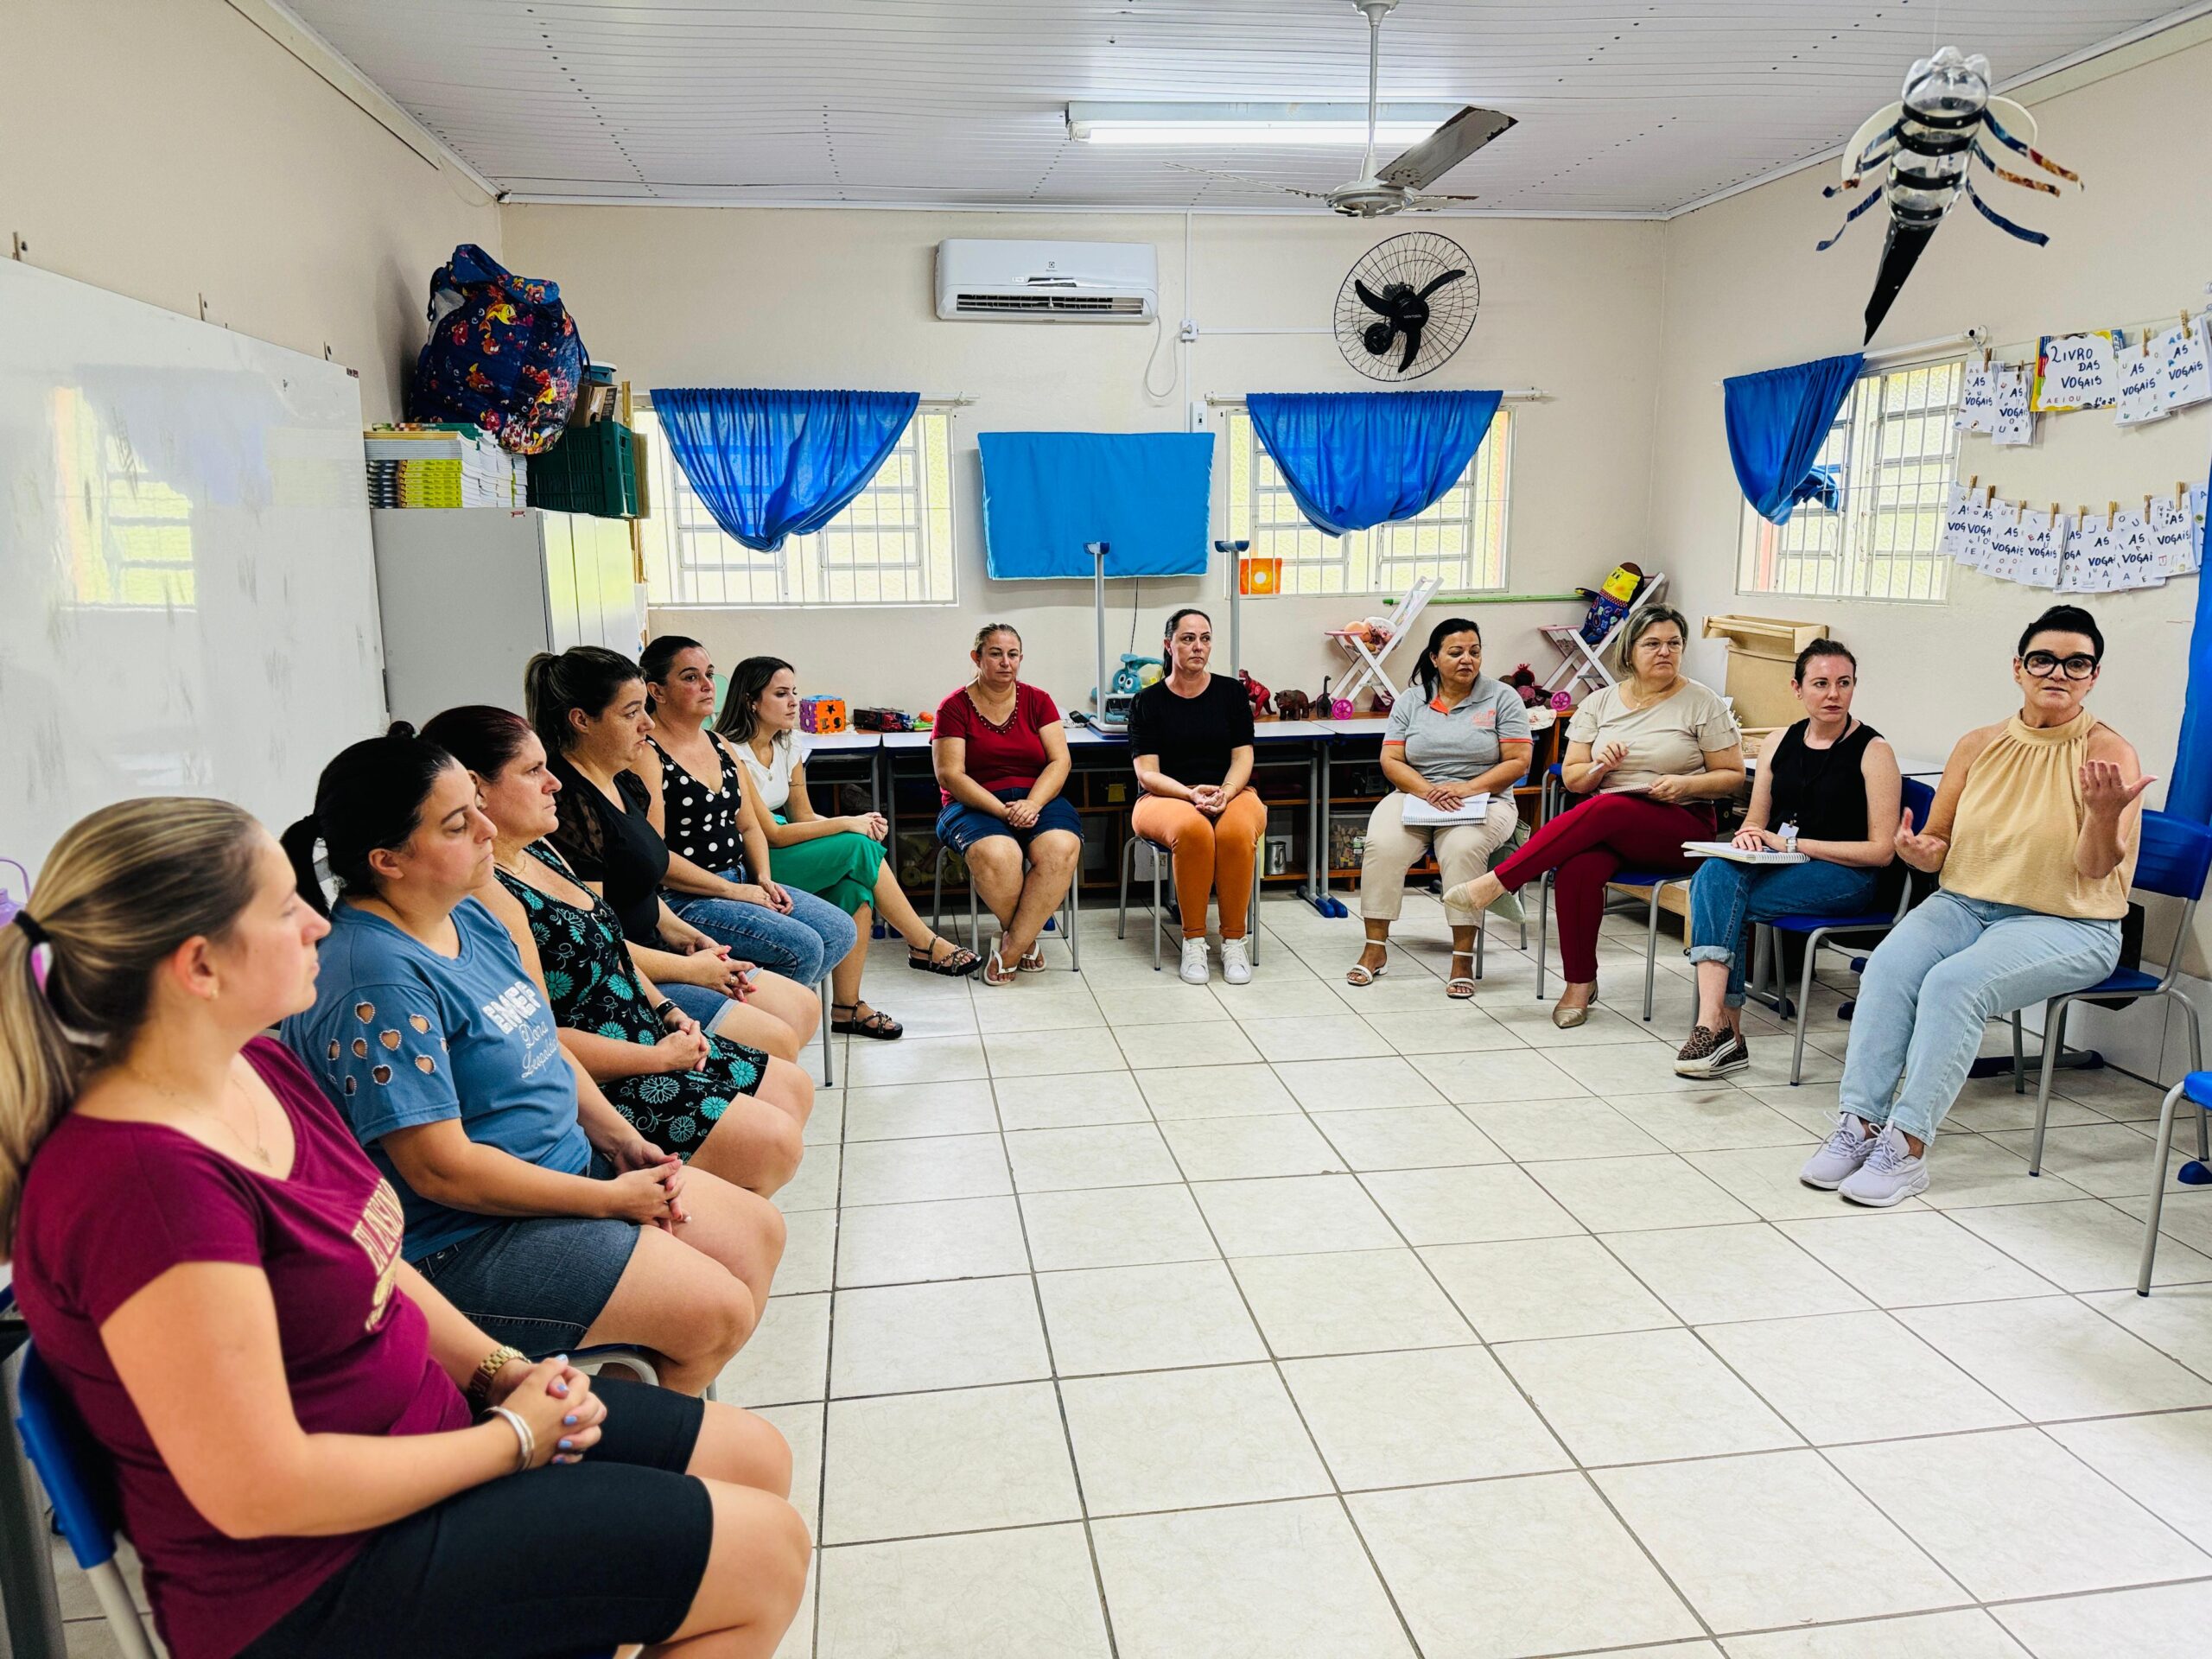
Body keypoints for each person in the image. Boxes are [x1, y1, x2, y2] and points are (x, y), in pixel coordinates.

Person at [2, 798, 808, 1659]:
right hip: (315, 1574)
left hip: (422, 1437)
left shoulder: (254, 1063)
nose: (318, 924)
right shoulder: (144, 1185)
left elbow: (379, 1261)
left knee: (752, 1457)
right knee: (760, 1558)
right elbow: (259, 1492)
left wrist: (501, 1373)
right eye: (285, 909)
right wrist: (513, 1441)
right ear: (200, 966)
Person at [278, 727, 784, 1394]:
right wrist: (606, 1201)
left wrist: (622, 1141)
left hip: (565, 1168)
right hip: (465, 1235)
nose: (489, 829)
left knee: (757, 1233)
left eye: (478, 808)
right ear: (388, 860)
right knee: (712, 1310)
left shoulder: (468, 913)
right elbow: (441, 1171)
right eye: (459, 823)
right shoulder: (377, 980)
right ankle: (620, 1442)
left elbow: (543, 1043)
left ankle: (638, 1413)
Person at [1802, 606, 2149, 1206]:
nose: (2058, 673)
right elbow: (1935, 848)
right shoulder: (1979, 744)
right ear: (2019, 668)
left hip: (2071, 922)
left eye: (2076, 663)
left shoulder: (2110, 755)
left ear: (2094, 676)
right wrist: (1917, 849)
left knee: (1954, 985)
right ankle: (1859, 1124)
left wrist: (2103, 814)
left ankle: (1906, 1148)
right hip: (1966, 904)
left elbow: (2096, 871)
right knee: (1888, 968)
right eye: (2043, 659)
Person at [423, 704, 814, 1201]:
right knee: (772, 1143)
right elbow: (539, 1036)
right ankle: (708, 1209)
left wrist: (669, 1011)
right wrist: (656, 1057)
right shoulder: (483, 891)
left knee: (793, 1091)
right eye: (532, 772)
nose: (554, 784)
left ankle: (724, 1199)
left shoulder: (539, 847)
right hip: (608, 1070)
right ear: (477, 788)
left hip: (647, 1031)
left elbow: (611, 946)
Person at [1446, 606, 1746, 1027]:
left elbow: (1732, 777)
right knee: (1578, 866)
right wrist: (1600, 769)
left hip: (1680, 825)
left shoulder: (1701, 701)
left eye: (1674, 644)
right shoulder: (1600, 703)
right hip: (1611, 823)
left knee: (1607, 807)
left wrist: (1687, 784)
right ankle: (1579, 983)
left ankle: (1500, 881)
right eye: (1653, 643)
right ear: (1630, 650)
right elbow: (1573, 779)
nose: (1665, 652)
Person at [519, 649, 820, 1063]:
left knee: (803, 1007)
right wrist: (689, 969)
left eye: (644, 709)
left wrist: (689, 937)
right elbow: (596, 942)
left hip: (660, 948)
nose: (647, 723)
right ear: (581, 720)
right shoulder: (570, 806)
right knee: (778, 1036)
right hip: (627, 976)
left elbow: (643, 892)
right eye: (631, 714)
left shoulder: (623, 784)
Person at [718, 655, 981, 1039]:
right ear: (750, 701)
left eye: (795, 692)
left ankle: (846, 1008)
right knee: (858, 847)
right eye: (781, 693)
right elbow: (769, 835)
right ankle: (923, 943)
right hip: (756, 857)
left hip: (786, 840)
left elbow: (803, 815)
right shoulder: (730, 751)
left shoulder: (788, 743)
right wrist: (848, 825)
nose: (794, 702)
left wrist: (859, 824)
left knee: (856, 890)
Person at [1676, 639, 1901, 1077]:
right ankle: (1720, 1029)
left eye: (1844, 683)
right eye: (1821, 683)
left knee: (1722, 900)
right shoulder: (1779, 741)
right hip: (1780, 865)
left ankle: (1719, 1029)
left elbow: (1882, 850)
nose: (1833, 694)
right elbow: (1755, 822)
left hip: (1848, 876)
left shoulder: (1875, 751)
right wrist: (1747, 841)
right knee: (1714, 873)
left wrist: (1796, 846)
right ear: (1797, 689)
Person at [637, 634, 859, 995]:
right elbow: (655, 856)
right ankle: (756, 1029)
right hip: (684, 898)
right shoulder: (648, 754)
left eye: (709, 674)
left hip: (739, 879)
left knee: (838, 931)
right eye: (691, 677)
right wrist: (734, 891)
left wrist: (763, 879)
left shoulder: (718, 743)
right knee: (802, 947)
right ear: (657, 691)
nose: (708, 686)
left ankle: (766, 1017)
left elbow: (748, 824)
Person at [1347, 617, 1533, 997]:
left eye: (1475, 652)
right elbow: (1392, 761)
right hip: (1417, 795)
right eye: (1456, 652)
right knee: (1381, 844)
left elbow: (1518, 761)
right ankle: (1375, 948)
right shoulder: (1412, 701)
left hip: (1487, 798)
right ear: (1434, 658)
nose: (1467, 659)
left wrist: (1466, 789)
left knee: (1461, 848)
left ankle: (1462, 956)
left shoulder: (1502, 698)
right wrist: (1429, 790)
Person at [932, 623, 1084, 984]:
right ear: (977, 658)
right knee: (999, 854)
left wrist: (1032, 803)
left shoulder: (1038, 700)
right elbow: (950, 775)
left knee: (1061, 847)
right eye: (995, 654)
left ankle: (1013, 946)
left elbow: (1059, 761)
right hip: (973, 803)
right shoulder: (953, 707)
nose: (1005, 662)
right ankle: (1026, 942)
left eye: (1012, 654)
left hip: (1038, 798)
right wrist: (1002, 811)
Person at [1128, 607, 1266, 986]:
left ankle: (1234, 940)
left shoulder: (1231, 693)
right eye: (1188, 639)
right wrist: (1190, 794)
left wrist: (1224, 792)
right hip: (1164, 796)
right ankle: (1193, 941)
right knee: (1194, 831)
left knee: (1235, 834)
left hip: (1230, 791)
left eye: (1205, 638)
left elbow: (1243, 757)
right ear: (1168, 645)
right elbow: (1148, 773)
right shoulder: (1147, 702)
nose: (1198, 646)